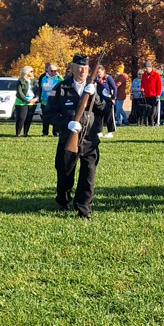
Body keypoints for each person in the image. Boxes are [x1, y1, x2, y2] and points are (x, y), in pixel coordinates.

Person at [46, 54, 108, 220]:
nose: (83, 71)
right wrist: (66, 124)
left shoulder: (97, 87)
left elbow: (106, 110)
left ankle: (84, 209)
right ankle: (63, 201)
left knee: (88, 176)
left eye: (86, 68)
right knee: (65, 172)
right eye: (79, 67)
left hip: (90, 139)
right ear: (72, 68)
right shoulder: (61, 88)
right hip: (68, 138)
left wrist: (96, 98)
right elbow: (49, 114)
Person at [14, 65, 39, 137]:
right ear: (26, 72)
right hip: (22, 102)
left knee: (29, 118)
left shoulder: (34, 81)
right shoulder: (20, 81)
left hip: (32, 102)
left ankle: (25, 133)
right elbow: (19, 92)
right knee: (22, 118)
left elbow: (37, 91)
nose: (32, 72)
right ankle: (18, 133)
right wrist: (26, 100)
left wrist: (36, 98)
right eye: (31, 71)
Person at [95, 65, 117, 138]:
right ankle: (99, 131)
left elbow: (114, 87)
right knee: (98, 116)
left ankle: (110, 132)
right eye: (97, 72)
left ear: (103, 71)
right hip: (98, 100)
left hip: (108, 99)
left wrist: (113, 98)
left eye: (100, 72)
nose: (98, 74)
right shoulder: (95, 79)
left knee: (109, 116)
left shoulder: (108, 78)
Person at [39, 63, 61, 136]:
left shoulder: (59, 78)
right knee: (45, 118)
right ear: (48, 71)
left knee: (56, 117)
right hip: (45, 101)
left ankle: (56, 132)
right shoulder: (44, 78)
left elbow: (61, 87)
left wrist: (51, 87)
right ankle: (45, 132)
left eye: (55, 71)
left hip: (56, 101)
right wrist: (54, 87)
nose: (53, 72)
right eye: (51, 71)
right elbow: (45, 87)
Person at [140, 61, 162, 127]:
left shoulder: (156, 75)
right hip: (146, 95)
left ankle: (154, 122)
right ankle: (148, 122)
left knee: (153, 110)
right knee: (147, 110)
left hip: (154, 95)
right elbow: (142, 83)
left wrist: (158, 94)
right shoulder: (144, 75)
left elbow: (159, 85)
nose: (146, 69)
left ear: (150, 67)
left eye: (147, 68)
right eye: (145, 68)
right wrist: (142, 88)